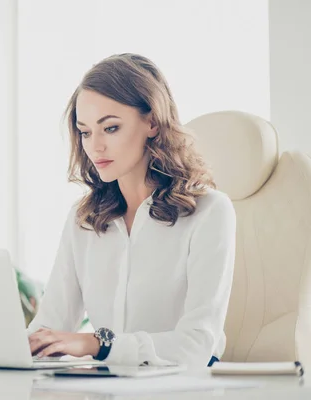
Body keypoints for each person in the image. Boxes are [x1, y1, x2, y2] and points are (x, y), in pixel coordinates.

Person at [27, 53, 236, 368]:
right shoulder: (84, 219)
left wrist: (100, 344)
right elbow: (51, 325)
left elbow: (197, 344)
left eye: (110, 128)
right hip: (108, 388)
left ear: (152, 122)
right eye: (85, 132)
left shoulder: (210, 212)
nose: (95, 146)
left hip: (183, 389)